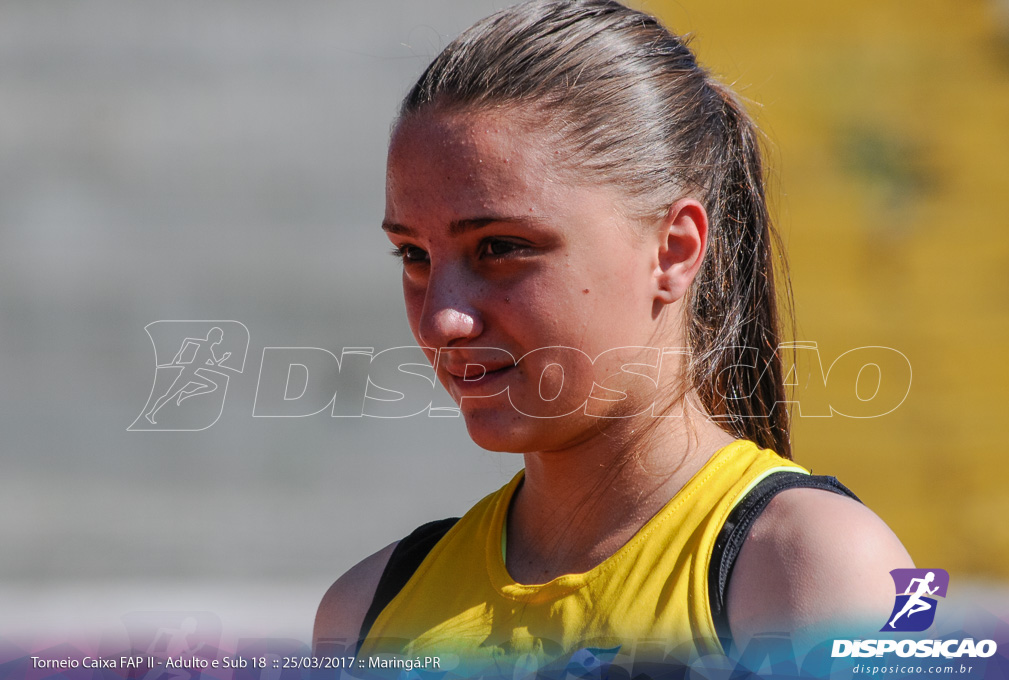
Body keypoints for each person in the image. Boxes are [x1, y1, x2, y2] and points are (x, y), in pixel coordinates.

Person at [314, 0, 912, 674]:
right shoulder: (366, 611)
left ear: (674, 249)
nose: (441, 319)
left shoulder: (816, 570)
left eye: (500, 247)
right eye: (413, 256)